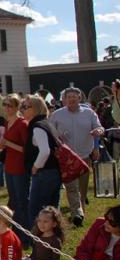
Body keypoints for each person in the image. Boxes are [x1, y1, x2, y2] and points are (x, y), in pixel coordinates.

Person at [50, 87, 104, 227]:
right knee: (71, 187)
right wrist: (57, 137)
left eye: (75, 96)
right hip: (67, 157)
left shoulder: (89, 113)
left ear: (80, 98)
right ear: (64, 99)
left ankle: (81, 210)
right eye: (69, 97)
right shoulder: (57, 115)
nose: (72, 99)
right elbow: (50, 132)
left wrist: (98, 132)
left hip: (85, 154)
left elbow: (99, 127)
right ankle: (77, 214)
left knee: (82, 187)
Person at [0, 91, 31, 242]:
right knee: (13, 200)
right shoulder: (8, 123)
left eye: (9, 105)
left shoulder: (22, 124)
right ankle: (16, 231)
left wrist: (8, 144)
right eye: (4, 105)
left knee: (21, 201)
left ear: (17, 107)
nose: (6, 108)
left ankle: (24, 235)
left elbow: (27, 149)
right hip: (9, 166)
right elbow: (3, 143)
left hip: (19, 167)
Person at [23, 94, 62, 228]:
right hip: (53, 172)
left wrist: (35, 167)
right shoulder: (47, 123)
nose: (23, 109)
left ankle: (39, 243)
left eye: (26, 107)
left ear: (35, 109)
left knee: (38, 212)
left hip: (44, 173)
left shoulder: (38, 126)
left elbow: (45, 151)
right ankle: (53, 241)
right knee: (52, 211)